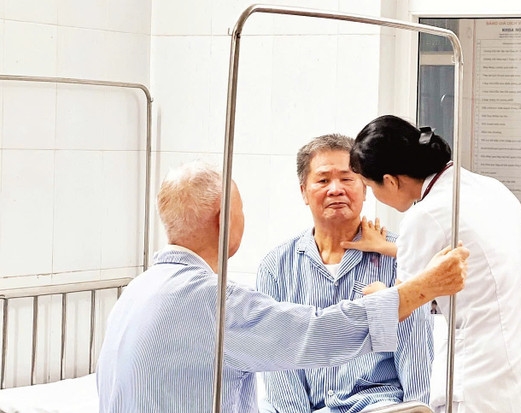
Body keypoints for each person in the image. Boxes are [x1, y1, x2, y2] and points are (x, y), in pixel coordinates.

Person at [96, 160, 469, 413]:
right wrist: (421, 288)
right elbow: (315, 332)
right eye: (241, 210)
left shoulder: (136, 291)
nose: (336, 190)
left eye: (348, 178)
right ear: (224, 220)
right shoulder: (215, 299)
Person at [348, 115, 521, 413]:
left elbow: (404, 304)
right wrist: (388, 247)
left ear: (390, 181)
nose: (373, 197)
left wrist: (378, 293)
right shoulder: (488, 187)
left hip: (481, 376)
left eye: (369, 186)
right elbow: (473, 254)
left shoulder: (424, 216)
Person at [257, 134, 433, 413]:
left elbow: (415, 348)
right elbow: (277, 357)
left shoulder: (397, 257)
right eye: (323, 180)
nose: (336, 189)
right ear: (304, 191)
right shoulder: (276, 267)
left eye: (347, 178)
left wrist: (417, 408)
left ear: (365, 188)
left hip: (377, 406)